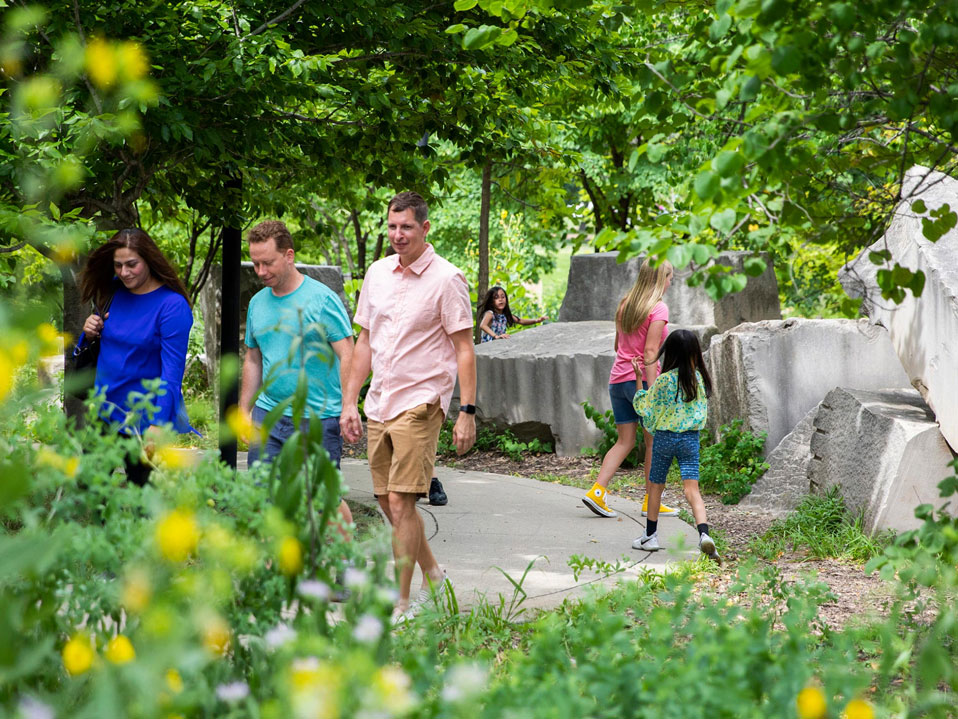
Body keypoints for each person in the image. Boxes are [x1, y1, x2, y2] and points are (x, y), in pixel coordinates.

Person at [341, 191, 477, 623]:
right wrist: (350, 400)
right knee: (387, 504)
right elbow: (364, 342)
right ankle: (434, 574)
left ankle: (401, 603)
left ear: (425, 228)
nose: (398, 235)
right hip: (380, 400)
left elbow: (464, 349)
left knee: (401, 502)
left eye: (407, 227)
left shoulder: (447, 279)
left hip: (422, 401)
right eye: (392, 227)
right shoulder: (377, 273)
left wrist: (466, 411)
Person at [239, 220, 355, 536]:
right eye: (255, 263)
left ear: (289, 255)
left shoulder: (321, 299)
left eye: (268, 262)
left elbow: (348, 352)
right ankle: (275, 571)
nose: (260, 271)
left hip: (317, 417)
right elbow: (253, 358)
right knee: (264, 496)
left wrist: (349, 405)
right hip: (268, 414)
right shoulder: (257, 303)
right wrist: (243, 411)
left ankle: (345, 569)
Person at [76, 228, 194, 486]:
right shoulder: (112, 292)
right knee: (88, 487)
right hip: (105, 410)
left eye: (132, 264)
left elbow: (171, 375)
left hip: (143, 418)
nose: (124, 272)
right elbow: (95, 346)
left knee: (141, 498)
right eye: (118, 265)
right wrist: (89, 332)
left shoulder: (172, 306)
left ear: (149, 261)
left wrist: (158, 425)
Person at [582, 258, 680, 519]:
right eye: (670, 278)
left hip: (617, 379)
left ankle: (597, 492)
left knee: (624, 441)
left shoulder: (625, 304)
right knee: (652, 442)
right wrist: (652, 389)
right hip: (641, 381)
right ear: (662, 278)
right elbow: (650, 351)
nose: (671, 283)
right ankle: (651, 501)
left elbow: (618, 347)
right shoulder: (658, 308)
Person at [631, 329, 719, 562]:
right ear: (694, 353)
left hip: (665, 439)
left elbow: (646, 408)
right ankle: (704, 536)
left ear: (669, 352)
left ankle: (650, 536)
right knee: (693, 490)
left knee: (656, 486)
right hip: (690, 439)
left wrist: (639, 378)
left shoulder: (663, 381)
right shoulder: (698, 379)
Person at [478, 286, 547, 342]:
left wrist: (536, 320)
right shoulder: (490, 314)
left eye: (503, 297)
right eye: (496, 298)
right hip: (488, 344)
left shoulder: (505, 315)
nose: (500, 299)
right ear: (491, 302)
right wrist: (496, 336)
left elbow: (520, 321)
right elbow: (483, 325)